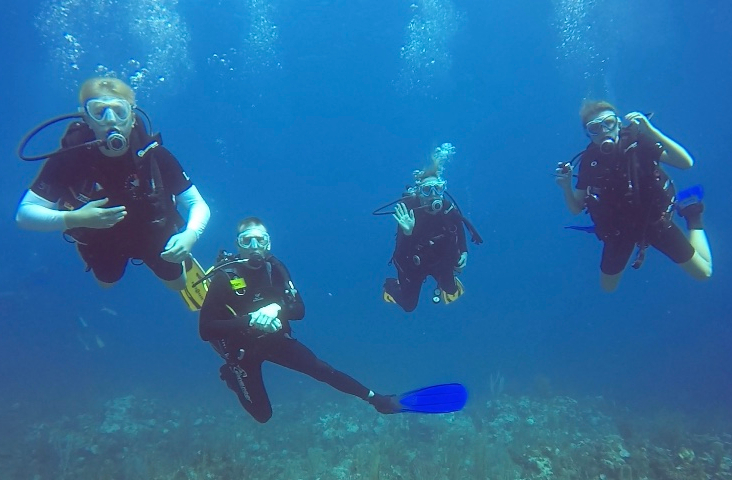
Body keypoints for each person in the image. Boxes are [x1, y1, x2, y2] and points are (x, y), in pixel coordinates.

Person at [198, 217, 400, 423]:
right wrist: (251, 320)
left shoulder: (275, 269)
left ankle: (376, 400)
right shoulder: (225, 277)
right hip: (242, 349)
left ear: (268, 243)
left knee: (322, 370)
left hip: (274, 339)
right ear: (238, 245)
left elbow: (299, 310)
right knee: (263, 415)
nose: (254, 246)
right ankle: (232, 377)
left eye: (260, 240)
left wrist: (276, 309)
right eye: (246, 240)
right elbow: (206, 329)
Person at [15, 77, 210, 290]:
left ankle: (182, 261)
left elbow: (197, 203)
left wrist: (190, 234)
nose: (110, 120)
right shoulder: (69, 159)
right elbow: (24, 214)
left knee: (178, 285)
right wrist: (73, 218)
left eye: (119, 111)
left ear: (132, 117)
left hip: (154, 234)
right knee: (107, 283)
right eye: (99, 112)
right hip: (101, 241)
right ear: (87, 119)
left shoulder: (154, 155)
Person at [555, 100, 713, 292]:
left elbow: (685, 163)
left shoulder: (638, 142)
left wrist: (651, 130)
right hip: (618, 231)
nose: (604, 131)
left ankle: (692, 214)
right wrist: (566, 186)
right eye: (595, 128)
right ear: (588, 134)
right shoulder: (589, 161)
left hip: (654, 221)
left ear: (618, 123)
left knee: (704, 272)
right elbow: (576, 208)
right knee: (608, 287)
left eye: (608, 123)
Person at [381, 143, 481, 312]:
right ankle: (391, 286)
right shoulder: (408, 213)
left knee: (451, 290)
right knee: (409, 306)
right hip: (414, 265)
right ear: (419, 193)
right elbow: (400, 256)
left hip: (439, 260)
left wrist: (464, 252)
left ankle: (447, 284)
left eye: (438, 188)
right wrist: (408, 232)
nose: (433, 194)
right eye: (427, 190)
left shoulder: (448, 208)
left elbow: (459, 226)